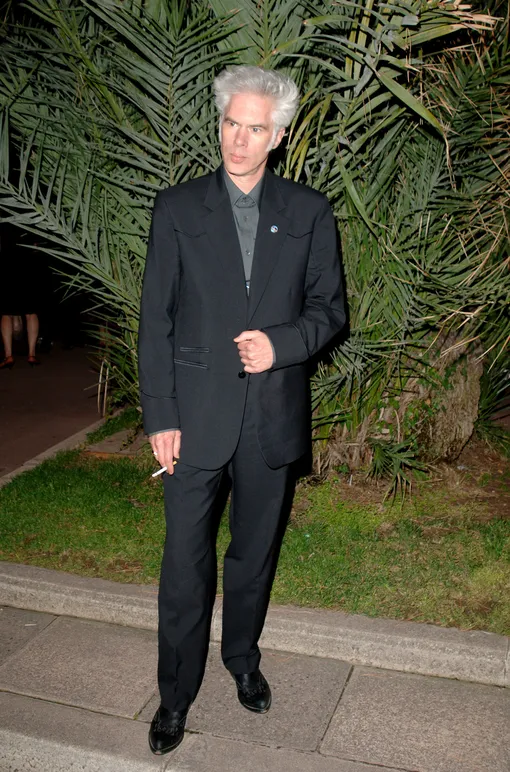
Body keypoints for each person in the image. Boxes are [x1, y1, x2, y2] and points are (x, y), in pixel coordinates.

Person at [138, 65, 346, 756]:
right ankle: (174, 696)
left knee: (252, 558)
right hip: (194, 417)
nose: (239, 138)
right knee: (184, 565)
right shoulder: (177, 207)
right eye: (232, 121)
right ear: (220, 120)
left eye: (256, 127)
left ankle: (243, 662)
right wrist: (160, 415)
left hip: (271, 419)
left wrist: (281, 345)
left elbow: (330, 312)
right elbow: (155, 323)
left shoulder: (311, 212)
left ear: (278, 135)